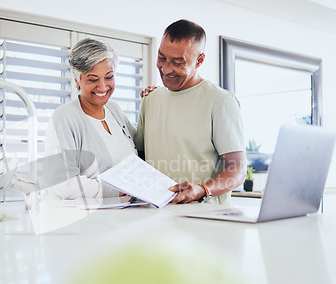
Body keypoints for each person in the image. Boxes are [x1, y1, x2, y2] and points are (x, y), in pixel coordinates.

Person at [136, 19, 247, 205]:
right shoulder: (150, 99)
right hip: (156, 218)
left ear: (199, 60)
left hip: (204, 221)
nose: (166, 69)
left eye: (178, 62)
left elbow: (237, 170)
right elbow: (140, 158)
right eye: (162, 58)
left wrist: (203, 190)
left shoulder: (221, 102)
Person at [44, 38, 137, 199]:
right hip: (82, 219)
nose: (102, 86)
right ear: (77, 80)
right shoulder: (64, 117)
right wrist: (116, 190)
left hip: (122, 215)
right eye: (93, 79)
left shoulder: (114, 110)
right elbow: (62, 183)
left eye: (109, 77)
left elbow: (141, 149)